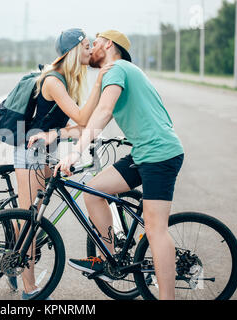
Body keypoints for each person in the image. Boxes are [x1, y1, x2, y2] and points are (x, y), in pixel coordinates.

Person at [54, 30, 184, 300]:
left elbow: (104, 112)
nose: (91, 49)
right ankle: (106, 258)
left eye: (96, 43)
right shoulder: (116, 72)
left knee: (155, 229)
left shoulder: (117, 68)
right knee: (93, 190)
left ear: (108, 44)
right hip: (143, 153)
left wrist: (75, 154)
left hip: (160, 155)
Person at [14, 28, 112, 299]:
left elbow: (79, 124)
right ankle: (29, 289)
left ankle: (13, 256)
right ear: (73, 50)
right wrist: (99, 82)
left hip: (46, 151)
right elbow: (81, 116)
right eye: (87, 46)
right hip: (31, 153)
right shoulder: (53, 81)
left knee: (30, 213)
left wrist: (70, 134)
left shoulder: (67, 80)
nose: (91, 50)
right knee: (31, 221)